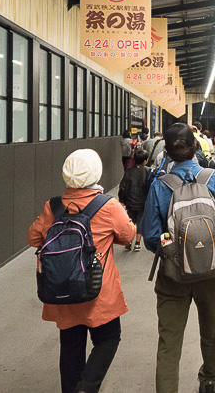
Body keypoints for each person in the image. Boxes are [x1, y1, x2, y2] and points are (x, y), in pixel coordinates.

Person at [141, 124, 215, 393]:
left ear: (167, 153)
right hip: (212, 272)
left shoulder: (160, 186)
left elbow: (150, 236)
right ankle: (208, 380)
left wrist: (173, 252)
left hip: (172, 277)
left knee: (169, 340)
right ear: (195, 147)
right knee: (211, 329)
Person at [28, 149, 137, 393]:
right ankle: (86, 387)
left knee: (70, 346)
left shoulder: (53, 206)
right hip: (98, 290)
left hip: (62, 289)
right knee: (108, 338)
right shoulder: (107, 205)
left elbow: (34, 237)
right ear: (96, 172)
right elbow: (129, 234)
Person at [119, 149, 150, 252]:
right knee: (140, 222)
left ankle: (128, 242)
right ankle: (137, 243)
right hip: (143, 202)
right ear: (145, 161)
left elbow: (123, 187)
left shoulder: (129, 172)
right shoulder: (147, 172)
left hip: (130, 202)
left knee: (130, 221)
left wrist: (122, 199)